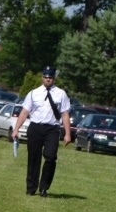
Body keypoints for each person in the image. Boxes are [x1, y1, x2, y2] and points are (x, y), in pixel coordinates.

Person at [11, 66, 71, 197]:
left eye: (50, 77)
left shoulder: (61, 94)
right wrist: (16, 129)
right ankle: (31, 187)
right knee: (33, 158)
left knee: (50, 157)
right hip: (35, 128)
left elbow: (65, 114)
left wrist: (67, 133)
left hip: (52, 129)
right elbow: (24, 112)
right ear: (42, 77)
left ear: (53, 78)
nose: (48, 79)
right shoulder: (34, 93)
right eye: (45, 77)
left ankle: (44, 187)